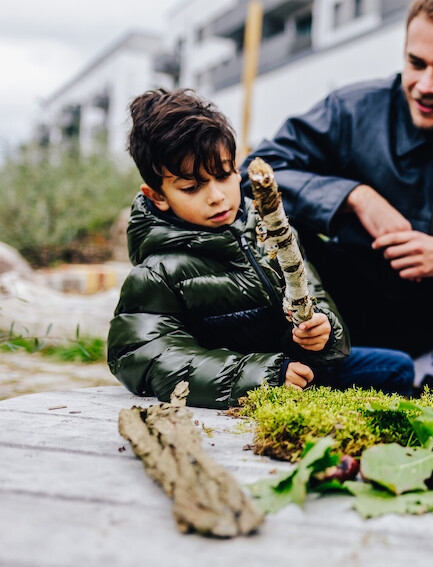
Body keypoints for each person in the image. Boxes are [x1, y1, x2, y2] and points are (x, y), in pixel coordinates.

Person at [240, 0, 433, 375]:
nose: (425, 85)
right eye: (416, 63)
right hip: (344, 318)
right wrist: (353, 197)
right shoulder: (350, 110)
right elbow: (254, 174)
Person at [107, 88, 414, 410]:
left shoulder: (272, 231)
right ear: (157, 196)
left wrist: (321, 332)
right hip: (245, 390)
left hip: (300, 372)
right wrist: (263, 376)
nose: (217, 196)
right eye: (192, 187)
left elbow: (316, 297)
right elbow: (145, 358)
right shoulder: (159, 271)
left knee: (397, 369)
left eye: (224, 176)